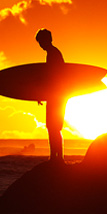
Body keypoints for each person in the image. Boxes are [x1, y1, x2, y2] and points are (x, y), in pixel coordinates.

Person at [35, 28, 66, 162]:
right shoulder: (53, 53)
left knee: (54, 127)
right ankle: (56, 157)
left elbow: (53, 77)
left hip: (57, 95)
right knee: (53, 127)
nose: (40, 45)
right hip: (57, 95)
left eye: (41, 41)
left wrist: (43, 93)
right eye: (39, 42)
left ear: (47, 40)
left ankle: (56, 157)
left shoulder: (53, 54)